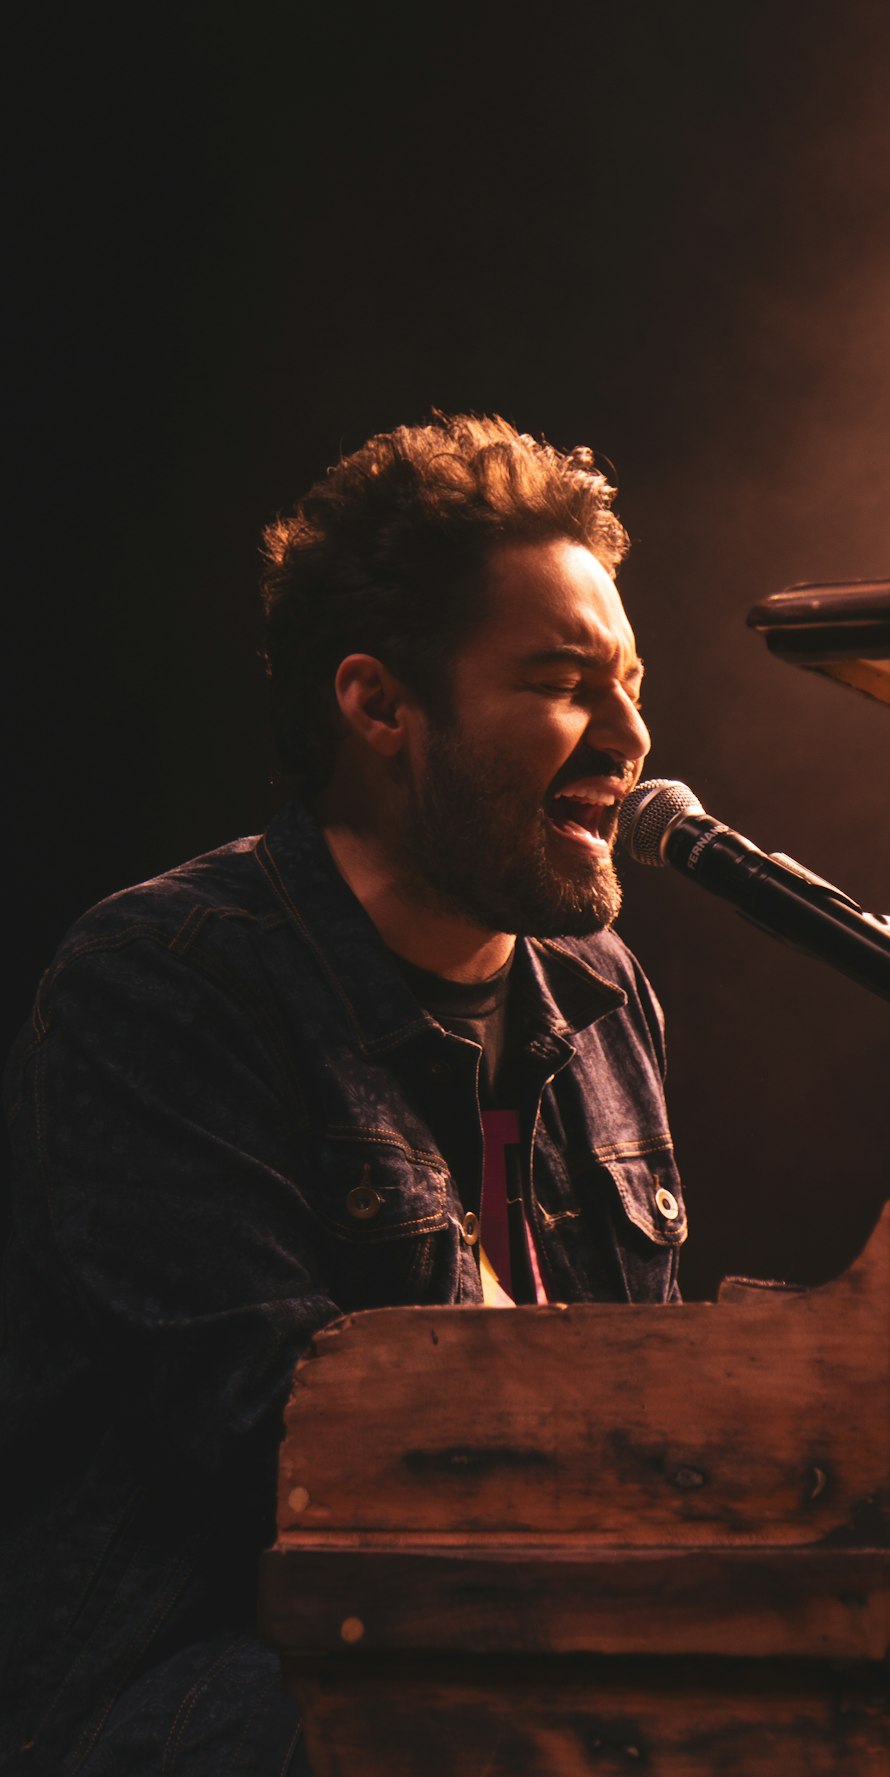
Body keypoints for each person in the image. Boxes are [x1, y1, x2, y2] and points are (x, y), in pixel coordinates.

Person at [0, 414, 686, 1774]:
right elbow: (287, 1451)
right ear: (376, 704)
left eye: (629, 683)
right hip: (213, 1683)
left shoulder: (602, 993)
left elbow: (657, 1400)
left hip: (527, 1643)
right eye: (565, 683)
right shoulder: (165, 979)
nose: (631, 735)